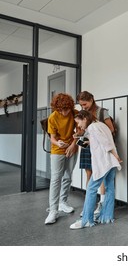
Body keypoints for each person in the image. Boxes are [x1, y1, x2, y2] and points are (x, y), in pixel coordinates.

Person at [70, 110, 122, 229]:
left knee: (91, 188)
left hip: (104, 163)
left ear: (84, 118)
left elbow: (106, 143)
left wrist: (116, 156)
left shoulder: (93, 127)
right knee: (109, 188)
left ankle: (86, 220)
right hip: (110, 163)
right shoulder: (100, 125)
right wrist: (80, 139)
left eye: (79, 122)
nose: (79, 126)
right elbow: (97, 141)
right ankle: (107, 217)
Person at [76, 91, 115, 217]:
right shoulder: (82, 113)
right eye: (81, 105)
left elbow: (110, 130)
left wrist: (95, 133)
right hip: (88, 146)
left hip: (100, 147)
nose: (83, 107)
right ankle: (89, 205)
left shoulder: (102, 112)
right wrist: (80, 135)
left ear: (92, 99)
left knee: (101, 174)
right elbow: (83, 130)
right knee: (89, 174)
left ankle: (102, 203)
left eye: (85, 104)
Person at [45, 93, 79, 225]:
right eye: (60, 110)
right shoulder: (53, 117)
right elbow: (52, 138)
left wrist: (72, 145)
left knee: (68, 176)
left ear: (70, 107)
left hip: (72, 146)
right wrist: (58, 143)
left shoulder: (75, 113)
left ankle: (63, 202)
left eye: (66, 109)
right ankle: (53, 210)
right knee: (55, 178)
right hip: (58, 149)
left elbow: (79, 131)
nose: (63, 112)